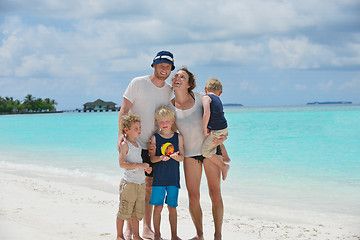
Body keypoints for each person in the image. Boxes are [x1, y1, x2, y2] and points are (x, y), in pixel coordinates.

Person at [117, 51, 175, 239]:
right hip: (135, 143)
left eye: (168, 66)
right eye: (161, 65)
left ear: (171, 69)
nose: (164, 69)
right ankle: (128, 227)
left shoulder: (168, 90)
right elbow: (124, 109)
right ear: (154, 66)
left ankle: (145, 227)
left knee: (149, 187)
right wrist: (120, 134)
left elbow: (169, 117)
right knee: (133, 184)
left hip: (156, 145)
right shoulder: (138, 83)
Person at [170, 67, 226, 240]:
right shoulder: (170, 106)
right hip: (189, 155)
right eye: (175, 76)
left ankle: (217, 235)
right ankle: (200, 235)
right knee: (193, 198)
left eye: (182, 76)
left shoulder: (202, 97)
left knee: (215, 193)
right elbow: (172, 132)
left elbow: (219, 120)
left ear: (189, 83)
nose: (177, 77)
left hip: (210, 151)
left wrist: (222, 139)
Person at [149, 105, 184, 240]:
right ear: (157, 122)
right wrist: (160, 158)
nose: (164, 124)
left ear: (172, 121)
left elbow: (182, 157)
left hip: (173, 179)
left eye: (167, 121)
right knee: (158, 207)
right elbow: (152, 159)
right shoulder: (155, 138)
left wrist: (176, 157)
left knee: (172, 208)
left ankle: (174, 235)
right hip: (159, 179)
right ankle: (157, 235)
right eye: (161, 121)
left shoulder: (178, 137)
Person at [116, 113, 153, 240]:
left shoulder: (137, 144)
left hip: (140, 183)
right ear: (126, 130)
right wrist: (140, 165)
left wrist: (145, 168)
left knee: (136, 213)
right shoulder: (125, 144)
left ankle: (136, 235)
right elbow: (122, 164)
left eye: (140, 127)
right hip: (129, 183)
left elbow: (138, 163)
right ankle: (119, 235)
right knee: (124, 211)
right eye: (136, 128)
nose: (139, 130)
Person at [201, 78, 230, 180]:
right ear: (220, 93)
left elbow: (206, 113)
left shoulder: (206, 97)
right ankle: (225, 156)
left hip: (217, 131)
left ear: (205, 89)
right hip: (224, 128)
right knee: (217, 142)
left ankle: (223, 166)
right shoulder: (218, 99)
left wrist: (204, 128)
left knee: (205, 151)